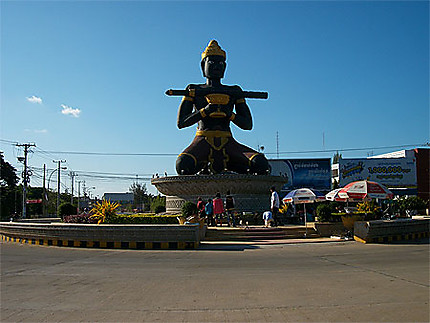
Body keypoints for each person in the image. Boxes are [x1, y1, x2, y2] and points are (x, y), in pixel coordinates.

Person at [175, 40, 270, 175]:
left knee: (260, 164)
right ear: (203, 66)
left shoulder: (234, 91)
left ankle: (235, 167)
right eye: (212, 63)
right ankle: (205, 166)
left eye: (220, 64)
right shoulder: (194, 90)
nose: (216, 67)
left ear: (225, 67)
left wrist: (229, 114)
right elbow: (181, 122)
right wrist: (205, 111)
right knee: (183, 164)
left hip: (229, 141)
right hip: (202, 140)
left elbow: (247, 125)